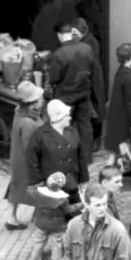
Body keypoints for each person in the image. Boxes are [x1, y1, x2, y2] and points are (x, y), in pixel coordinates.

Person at [49, 20, 103, 167]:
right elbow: (93, 68)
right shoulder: (87, 48)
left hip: (65, 97)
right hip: (84, 94)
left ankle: (67, 157)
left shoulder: (59, 54)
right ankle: (87, 158)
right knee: (85, 125)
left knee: (64, 126)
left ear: (60, 35)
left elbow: (54, 78)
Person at [27, 99, 86, 204]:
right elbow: (32, 160)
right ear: (58, 117)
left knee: (74, 211)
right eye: (67, 115)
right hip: (51, 185)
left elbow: (81, 156)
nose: (70, 118)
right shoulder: (40, 134)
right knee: (54, 216)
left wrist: (83, 179)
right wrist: (37, 182)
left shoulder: (73, 131)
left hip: (72, 181)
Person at [104, 44, 131, 183]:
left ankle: (112, 174)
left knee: (117, 150)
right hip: (128, 120)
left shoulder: (122, 72)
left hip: (119, 118)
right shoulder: (129, 78)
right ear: (129, 59)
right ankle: (115, 175)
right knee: (130, 148)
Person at [3, 81, 44, 229]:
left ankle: (11, 218)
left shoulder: (19, 113)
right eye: (39, 99)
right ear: (32, 104)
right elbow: (31, 147)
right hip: (26, 161)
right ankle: (36, 217)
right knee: (33, 188)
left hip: (17, 158)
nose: (42, 100)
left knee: (16, 186)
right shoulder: (29, 123)